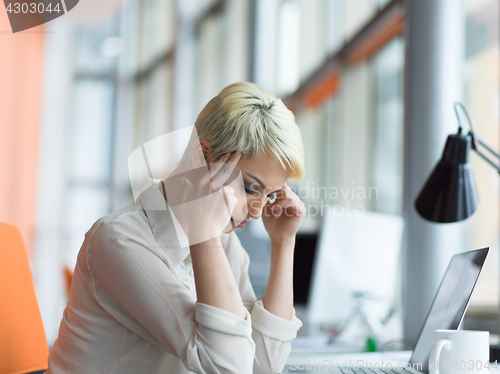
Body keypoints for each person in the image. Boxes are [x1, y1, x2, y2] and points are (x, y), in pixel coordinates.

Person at [47, 82, 306, 374]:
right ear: (202, 157)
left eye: (270, 194)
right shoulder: (118, 239)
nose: (258, 212)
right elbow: (228, 368)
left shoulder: (226, 244)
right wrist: (204, 235)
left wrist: (284, 243)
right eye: (249, 188)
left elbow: (264, 367)